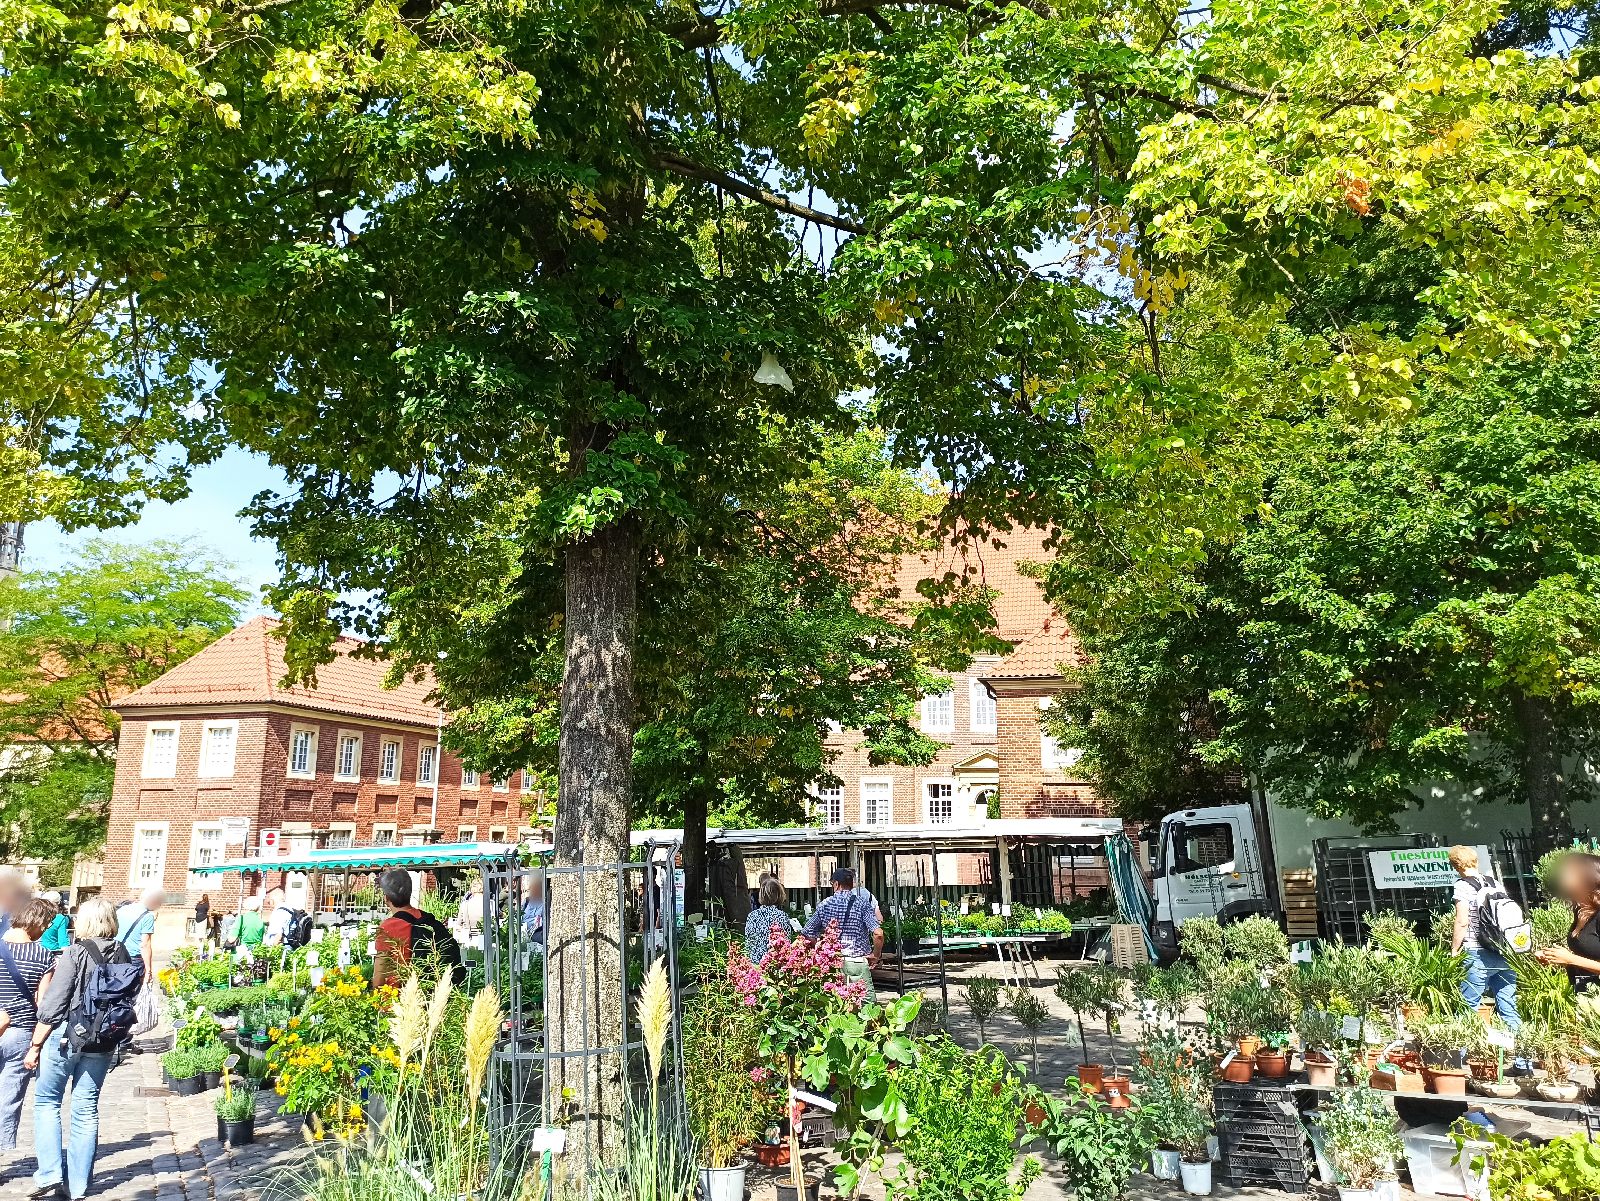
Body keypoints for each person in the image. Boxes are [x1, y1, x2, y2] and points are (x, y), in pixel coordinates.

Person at [25, 898, 127, 1200]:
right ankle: (79, 1186)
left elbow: (53, 1005)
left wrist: (35, 1044)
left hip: (66, 1036)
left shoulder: (74, 952)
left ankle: (50, 1173)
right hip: (103, 1039)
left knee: (46, 1102)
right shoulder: (123, 953)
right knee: (86, 1108)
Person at [0, 900, 58, 1155]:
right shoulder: (43, 955)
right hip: (21, 1032)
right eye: (46, 924)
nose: (45, 930)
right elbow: (43, 1003)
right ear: (37, 922)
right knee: (7, 1098)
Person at [1450, 846, 1520, 1030]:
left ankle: (1461, 1059)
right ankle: (1523, 1058)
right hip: (1505, 950)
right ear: (1476, 861)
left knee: (1468, 1008)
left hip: (1478, 952)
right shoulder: (1495, 883)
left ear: (1455, 865)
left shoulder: (1462, 886)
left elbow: (1462, 921)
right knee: (1509, 1006)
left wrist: (1454, 949)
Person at [802, 868, 882, 1002]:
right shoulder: (862, 904)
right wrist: (876, 955)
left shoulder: (825, 905)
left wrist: (821, 950)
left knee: (835, 1006)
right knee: (866, 1007)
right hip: (857, 962)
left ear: (836, 884)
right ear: (851, 884)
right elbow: (878, 933)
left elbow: (807, 932)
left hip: (832, 963)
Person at [372, 870, 460, 988]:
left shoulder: (387, 928)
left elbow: (380, 976)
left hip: (398, 996)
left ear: (386, 898)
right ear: (409, 894)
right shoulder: (427, 920)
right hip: (431, 993)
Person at [1534, 850, 1600, 991]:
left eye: (1569, 872)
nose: (1562, 876)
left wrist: (1570, 959)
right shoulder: (1581, 912)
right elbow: (1590, 956)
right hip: (1588, 996)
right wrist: (1558, 958)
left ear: (1588, 877)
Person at [114, 886, 161, 987]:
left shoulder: (121, 910)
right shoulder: (148, 917)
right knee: (132, 993)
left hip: (116, 954)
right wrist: (148, 971)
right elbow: (145, 945)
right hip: (134, 959)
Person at [744, 876, 789, 964]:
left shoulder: (752, 916)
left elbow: (748, 943)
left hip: (755, 964)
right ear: (779, 894)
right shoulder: (782, 916)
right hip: (774, 964)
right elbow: (786, 943)